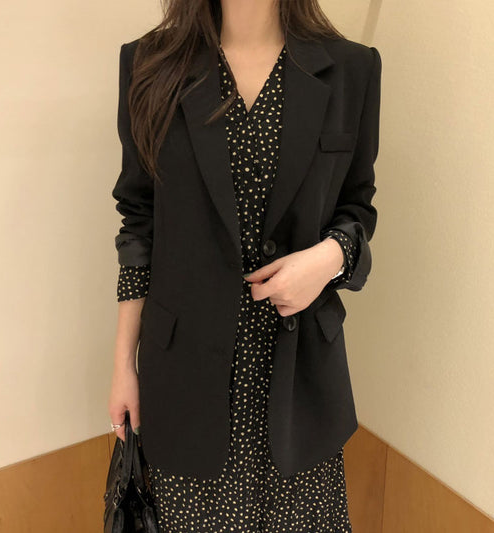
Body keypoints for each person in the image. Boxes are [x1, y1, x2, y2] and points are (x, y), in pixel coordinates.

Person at [108, 1, 381, 531]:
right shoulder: (149, 64)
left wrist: (328, 259)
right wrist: (123, 363)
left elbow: (357, 208)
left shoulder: (352, 69)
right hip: (185, 378)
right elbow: (139, 223)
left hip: (301, 381)